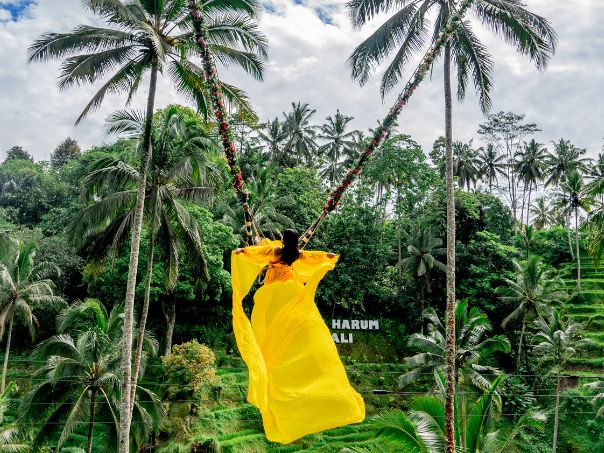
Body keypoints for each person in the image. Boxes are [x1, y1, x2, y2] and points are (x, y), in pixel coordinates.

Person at [231, 229, 365, 444]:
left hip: (275, 290)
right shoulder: (296, 253)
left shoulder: (277, 250)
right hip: (292, 289)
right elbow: (313, 256)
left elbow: (260, 252)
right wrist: (328, 256)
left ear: (284, 241)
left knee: (269, 318)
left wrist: (242, 251)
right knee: (290, 322)